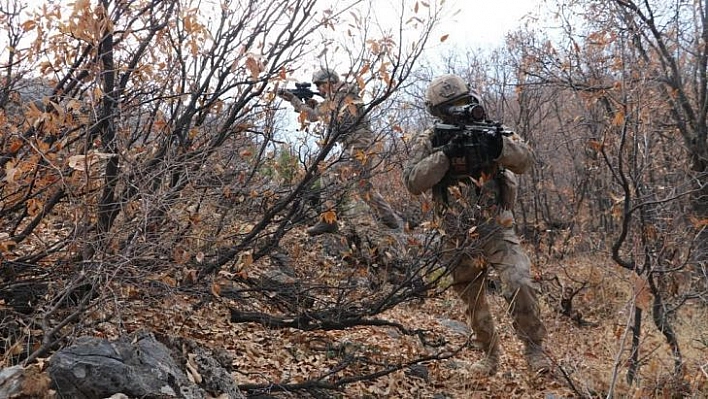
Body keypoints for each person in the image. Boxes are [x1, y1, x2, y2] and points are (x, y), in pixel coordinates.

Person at [402, 74, 550, 377]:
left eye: (461, 103)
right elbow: (413, 182)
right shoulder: (432, 139)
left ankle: (535, 351)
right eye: (449, 107)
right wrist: (445, 155)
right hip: (455, 233)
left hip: (495, 227)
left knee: (519, 281)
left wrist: (498, 148)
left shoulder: (492, 130)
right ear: (438, 112)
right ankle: (489, 357)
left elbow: (526, 161)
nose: (458, 111)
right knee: (472, 298)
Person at [277, 68, 400, 235]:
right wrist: (312, 103)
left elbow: (313, 117)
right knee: (363, 187)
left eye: (320, 85)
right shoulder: (343, 94)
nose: (319, 89)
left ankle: (329, 222)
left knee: (330, 175)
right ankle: (390, 219)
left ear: (329, 83)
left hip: (358, 146)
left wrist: (294, 100)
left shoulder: (340, 96)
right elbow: (326, 113)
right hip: (361, 145)